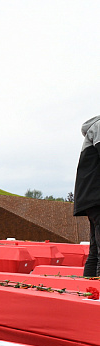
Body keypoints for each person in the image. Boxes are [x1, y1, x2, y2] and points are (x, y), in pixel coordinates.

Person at [74, 115, 100, 277]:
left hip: (92, 196)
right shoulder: (99, 126)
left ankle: (90, 292)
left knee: (95, 249)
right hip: (96, 195)